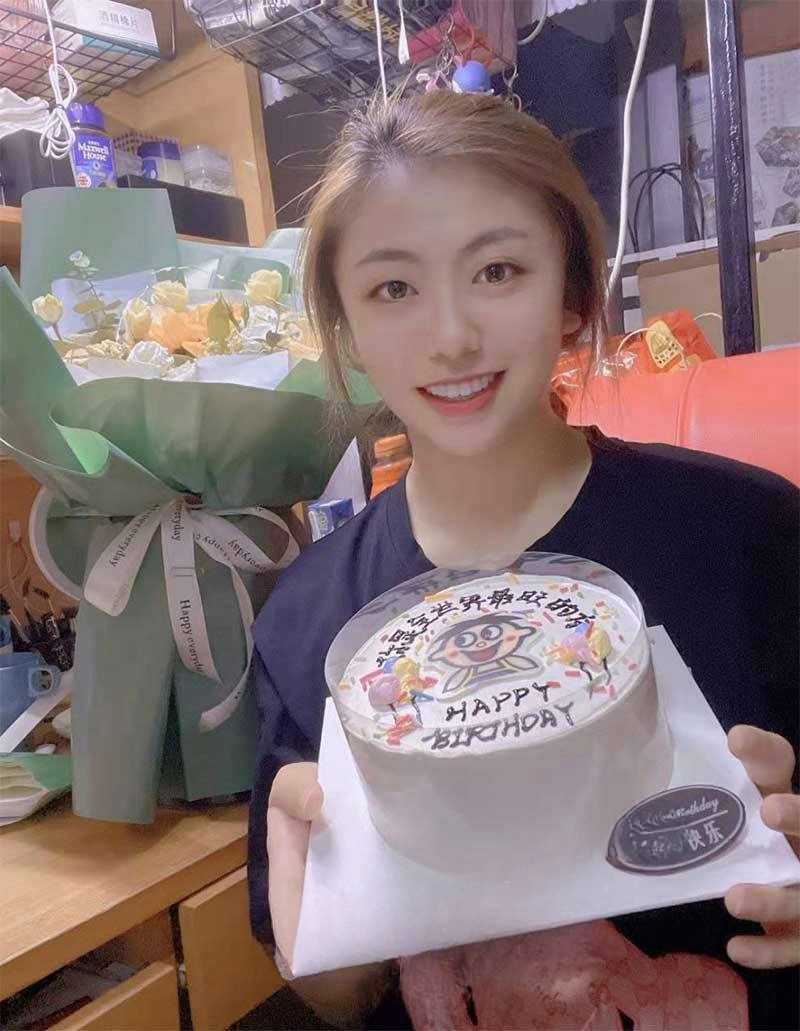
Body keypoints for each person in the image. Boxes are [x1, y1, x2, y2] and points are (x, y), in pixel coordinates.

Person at [248, 91, 799, 1029]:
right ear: (345, 327)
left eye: (497, 270)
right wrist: (325, 942)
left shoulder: (752, 534)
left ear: (574, 293)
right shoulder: (304, 621)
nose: (451, 336)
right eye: (393, 288)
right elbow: (335, 993)